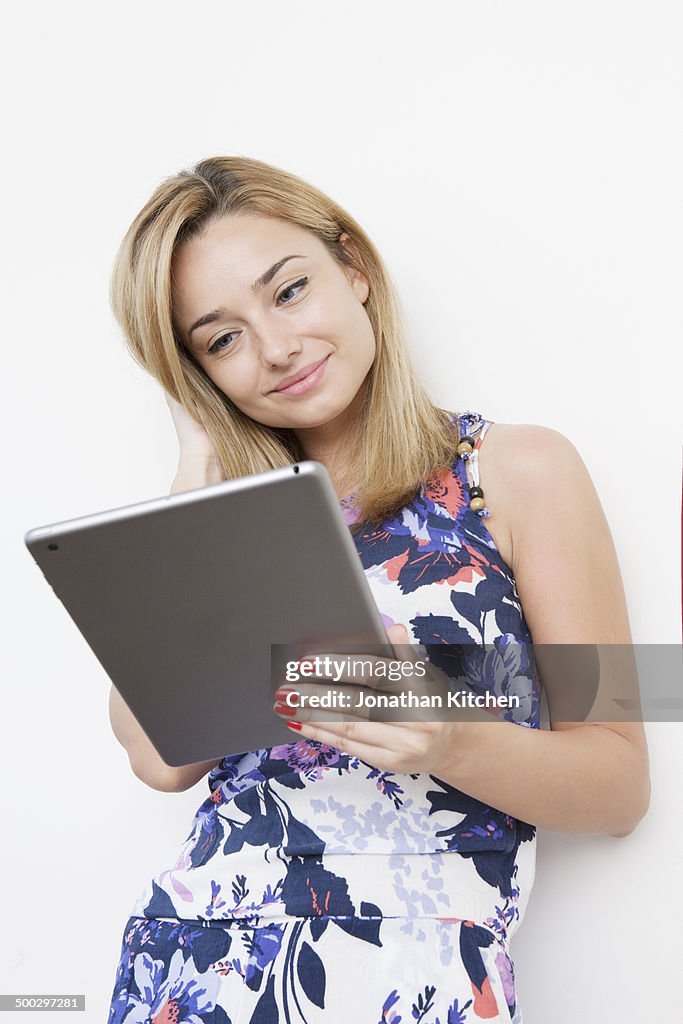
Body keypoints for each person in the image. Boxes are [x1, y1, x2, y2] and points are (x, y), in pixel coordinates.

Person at [107, 157, 650, 1024]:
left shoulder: (521, 470)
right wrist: (194, 476)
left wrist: (452, 740)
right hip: (197, 962)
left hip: (413, 976)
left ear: (353, 268)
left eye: (287, 292)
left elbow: (622, 783)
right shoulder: (228, 525)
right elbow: (157, 756)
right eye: (220, 339)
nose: (275, 349)